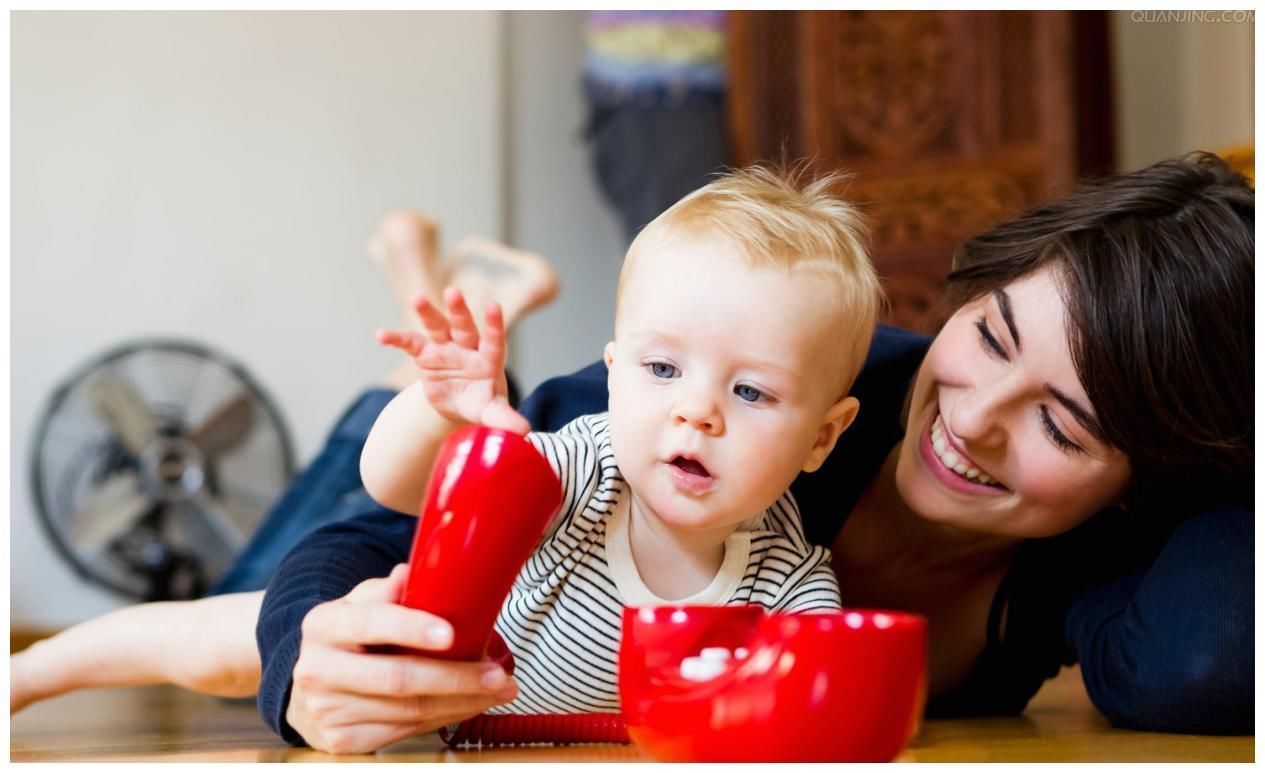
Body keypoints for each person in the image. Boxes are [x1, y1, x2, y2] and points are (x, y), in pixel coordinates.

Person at [253, 152, 1252, 753]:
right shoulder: (731, 388)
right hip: (476, 502)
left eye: (1061, 423)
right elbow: (373, 532)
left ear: (1151, 474)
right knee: (229, 613)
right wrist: (304, 660)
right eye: (989, 336)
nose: (974, 416)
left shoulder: (1096, 564)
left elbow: (1207, 658)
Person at [360, 165, 879, 717]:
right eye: (661, 368)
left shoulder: (787, 580)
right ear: (612, 377)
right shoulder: (578, 473)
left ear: (821, 438)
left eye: (750, 391)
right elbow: (400, 490)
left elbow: (823, 708)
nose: (697, 411)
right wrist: (437, 407)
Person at [8, 211, 560, 714]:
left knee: (256, 604)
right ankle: (446, 290)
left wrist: (25, 674)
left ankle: (459, 292)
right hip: (475, 477)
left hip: (488, 463)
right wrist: (22, 676)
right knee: (263, 614)